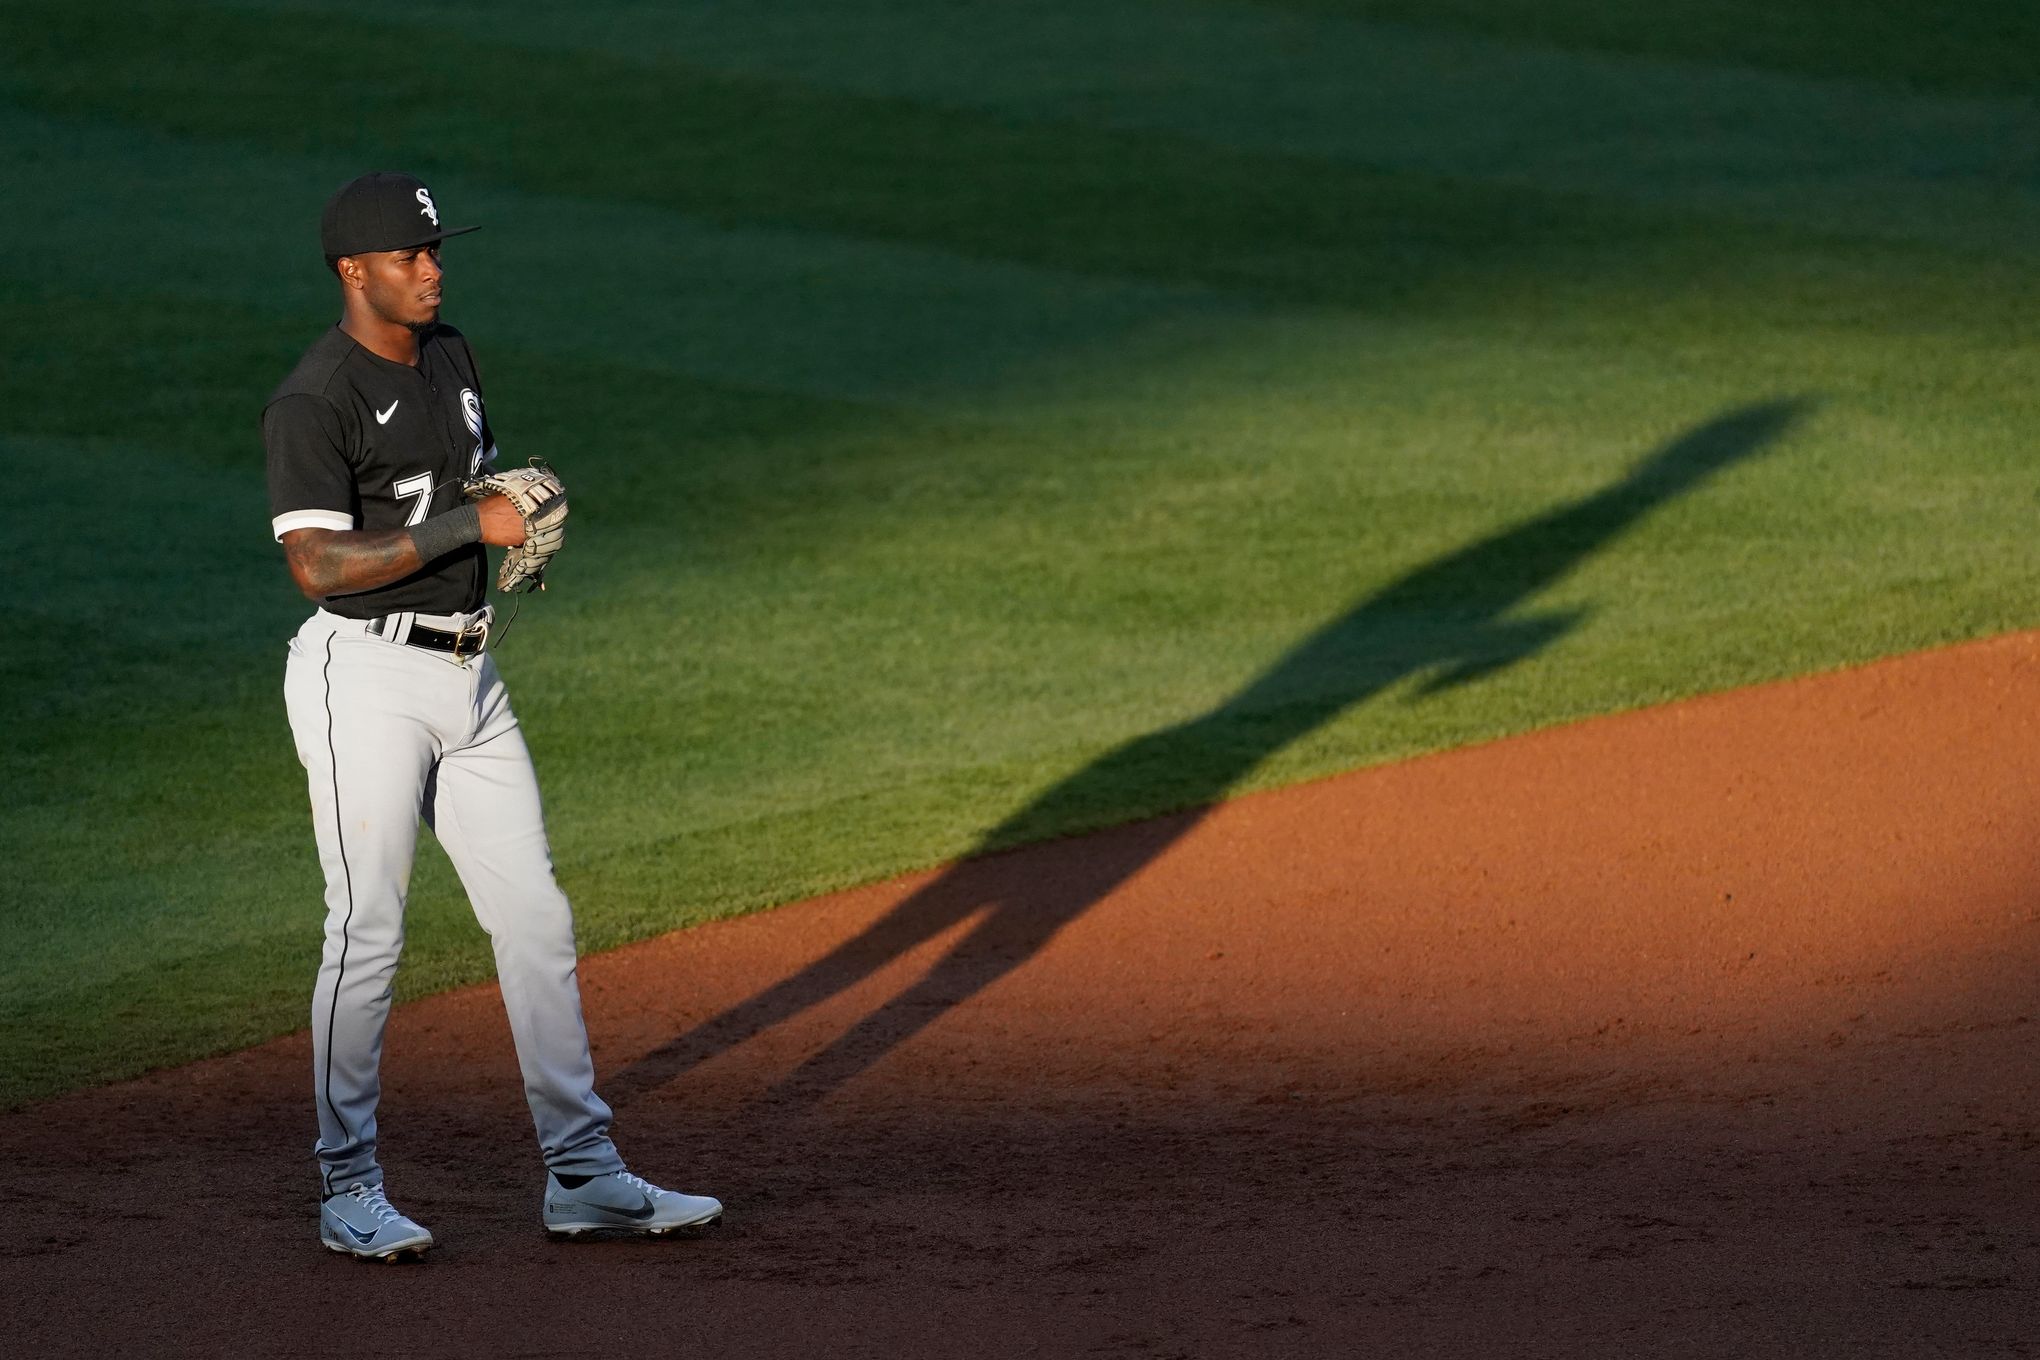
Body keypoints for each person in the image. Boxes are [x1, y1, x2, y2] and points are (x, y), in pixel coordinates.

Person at [262, 171, 721, 1260]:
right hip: (362, 681)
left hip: (472, 681)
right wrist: (477, 523)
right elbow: (318, 563)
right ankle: (347, 1186)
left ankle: (583, 1173)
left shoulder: (453, 357)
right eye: (410, 255)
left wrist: (494, 532)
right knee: (367, 931)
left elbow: (468, 493)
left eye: (436, 250)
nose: (432, 268)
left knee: (537, 921)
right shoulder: (314, 397)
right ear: (352, 270)